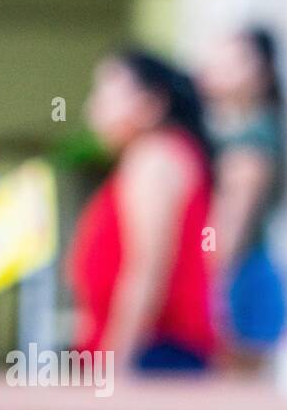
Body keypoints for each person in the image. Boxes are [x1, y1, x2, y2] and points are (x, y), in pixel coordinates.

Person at [69, 51, 216, 372]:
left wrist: (114, 365)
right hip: (149, 350)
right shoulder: (151, 156)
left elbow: (147, 269)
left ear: (152, 104)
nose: (92, 108)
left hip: (154, 354)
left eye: (105, 95)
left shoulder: (155, 157)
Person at [197, 26, 287, 375]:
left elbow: (228, 230)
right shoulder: (233, 132)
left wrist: (208, 292)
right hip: (244, 273)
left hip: (238, 277)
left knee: (235, 397)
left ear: (261, 73)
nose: (216, 68)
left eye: (232, 61)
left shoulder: (252, 142)